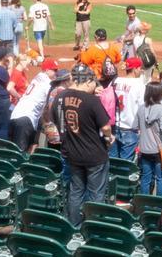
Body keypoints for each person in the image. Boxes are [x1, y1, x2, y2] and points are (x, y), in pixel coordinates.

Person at [56, 64, 113, 226]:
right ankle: (93, 229)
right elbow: (106, 127)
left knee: (75, 192)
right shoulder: (92, 101)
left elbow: (53, 118)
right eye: (94, 83)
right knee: (96, 195)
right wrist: (109, 138)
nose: (96, 86)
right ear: (87, 82)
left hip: (73, 155)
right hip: (94, 156)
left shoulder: (61, 97)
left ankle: (74, 226)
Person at [10, 58, 57, 152]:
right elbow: (53, 102)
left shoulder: (38, 77)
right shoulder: (47, 84)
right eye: (54, 70)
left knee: (15, 151)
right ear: (47, 70)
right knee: (19, 154)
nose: (56, 72)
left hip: (16, 115)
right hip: (26, 119)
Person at [136, 82, 162, 196]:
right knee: (160, 179)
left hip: (144, 149)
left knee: (146, 178)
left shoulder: (141, 108)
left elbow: (135, 126)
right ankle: (160, 205)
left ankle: (143, 203)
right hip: (159, 150)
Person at [112, 56, 146, 160]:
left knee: (113, 161)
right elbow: (142, 109)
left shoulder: (116, 81)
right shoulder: (139, 84)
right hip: (130, 128)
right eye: (139, 68)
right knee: (126, 164)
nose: (140, 71)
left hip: (113, 127)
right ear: (135, 69)